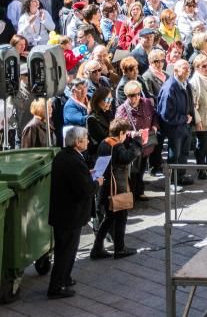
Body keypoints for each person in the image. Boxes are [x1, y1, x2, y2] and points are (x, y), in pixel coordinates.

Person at [48, 126, 102, 299]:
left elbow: (74, 179)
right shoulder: (74, 161)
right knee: (65, 252)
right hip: (69, 215)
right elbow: (85, 190)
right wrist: (97, 182)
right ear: (78, 142)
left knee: (67, 250)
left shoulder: (64, 156)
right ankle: (56, 286)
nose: (88, 141)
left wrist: (88, 173)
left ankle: (65, 278)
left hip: (64, 213)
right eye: (86, 138)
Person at [91, 118, 142, 260]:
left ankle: (97, 248)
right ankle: (119, 249)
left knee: (108, 218)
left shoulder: (104, 142)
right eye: (125, 134)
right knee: (121, 218)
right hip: (116, 189)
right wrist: (137, 142)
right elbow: (127, 157)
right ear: (120, 133)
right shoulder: (117, 146)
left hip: (105, 187)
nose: (125, 137)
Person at [157, 59, 195, 186]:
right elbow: (166, 115)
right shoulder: (169, 89)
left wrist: (191, 121)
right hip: (175, 129)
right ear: (176, 70)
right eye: (185, 68)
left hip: (186, 127)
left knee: (184, 153)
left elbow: (190, 104)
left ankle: (181, 176)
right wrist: (185, 119)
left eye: (189, 68)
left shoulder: (186, 84)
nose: (188, 71)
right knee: (174, 156)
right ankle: (171, 182)